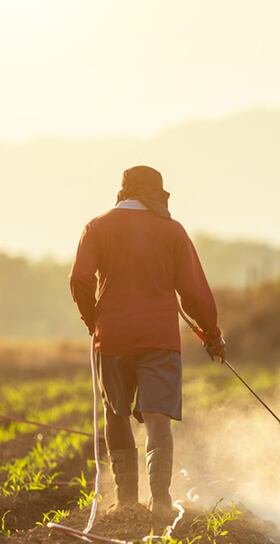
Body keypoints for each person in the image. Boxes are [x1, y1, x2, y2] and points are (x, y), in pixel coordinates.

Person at [69, 165, 225, 523]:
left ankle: (125, 501)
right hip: (159, 337)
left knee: (117, 412)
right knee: (157, 419)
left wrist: (93, 320)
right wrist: (212, 335)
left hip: (112, 337)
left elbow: (79, 278)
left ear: (123, 191)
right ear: (157, 194)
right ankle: (161, 501)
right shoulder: (171, 231)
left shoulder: (97, 227)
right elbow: (194, 292)